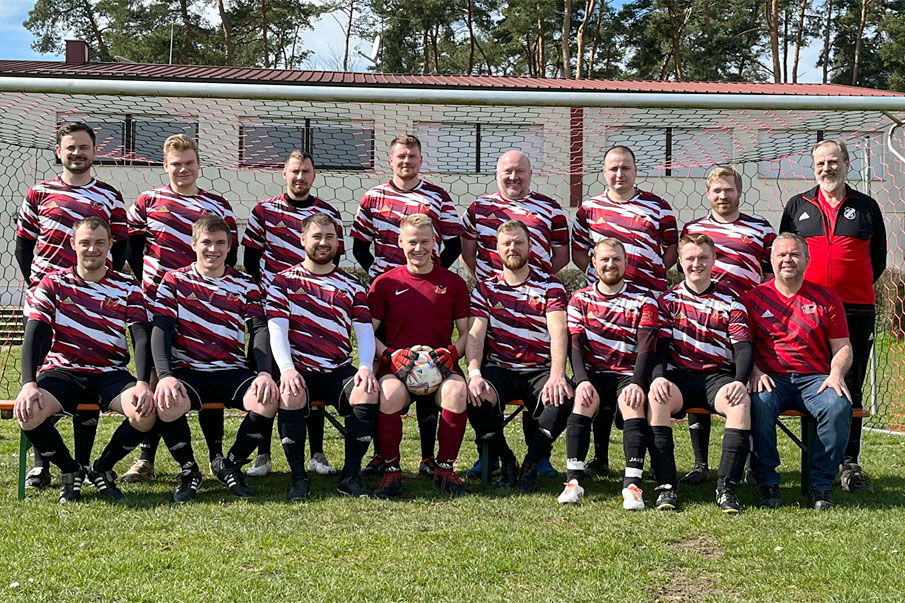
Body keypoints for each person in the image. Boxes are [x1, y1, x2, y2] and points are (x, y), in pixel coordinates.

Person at [15, 122, 129, 490]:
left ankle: (81, 463)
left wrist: (103, 283)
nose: (77, 153)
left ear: (95, 151)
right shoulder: (39, 192)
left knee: (89, 370)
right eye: (70, 147)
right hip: (49, 299)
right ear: (59, 151)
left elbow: (122, 244)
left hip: (93, 299)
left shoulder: (110, 195)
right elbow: (24, 244)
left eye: (84, 147)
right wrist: (36, 285)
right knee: (44, 379)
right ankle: (41, 465)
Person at [122, 133, 240, 484]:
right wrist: (151, 283)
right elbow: (132, 247)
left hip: (204, 306)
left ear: (198, 164)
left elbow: (229, 252)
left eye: (189, 163)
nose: (183, 169)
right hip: (156, 303)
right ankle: (146, 458)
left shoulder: (217, 205)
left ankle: (216, 455)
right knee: (156, 377)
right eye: (176, 164)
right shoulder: (148, 201)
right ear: (165, 165)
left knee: (208, 368)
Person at [13, 217, 154, 503]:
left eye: (100, 242)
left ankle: (101, 468)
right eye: (85, 242)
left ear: (110, 245)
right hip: (63, 370)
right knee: (28, 411)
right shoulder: (53, 282)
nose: (92, 249)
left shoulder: (127, 285)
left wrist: (142, 382)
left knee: (146, 413)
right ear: (73, 244)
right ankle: (71, 470)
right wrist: (28, 383)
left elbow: (141, 335)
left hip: (110, 373)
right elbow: (35, 332)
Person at [351, 134, 464, 479]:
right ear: (391, 159)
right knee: (388, 370)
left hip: (426, 289)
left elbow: (454, 243)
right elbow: (359, 245)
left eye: (412, 156)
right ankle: (382, 455)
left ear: (420, 159)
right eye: (401, 156)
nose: (406, 161)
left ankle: (430, 456)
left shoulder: (437, 196)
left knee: (427, 364)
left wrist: (432, 277)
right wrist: (382, 276)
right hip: (388, 294)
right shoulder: (373, 196)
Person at [780, 139, 885, 494]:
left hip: (855, 310)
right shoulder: (797, 206)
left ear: (846, 164)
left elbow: (877, 260)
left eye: (833, 161)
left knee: (850, 384)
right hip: (806, 311)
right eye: (821, 163)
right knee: (808, 380)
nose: (827, 168)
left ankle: (849, 464)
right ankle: (809, 457)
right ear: (814, 168)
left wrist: (846, 288)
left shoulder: (867, 207)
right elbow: (785, 255)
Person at [151, 215, 278, 502]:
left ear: (229, 247)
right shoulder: (174, 280)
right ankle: (189, 470)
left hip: (230, 370)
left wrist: (264, 372)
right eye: (206, 242)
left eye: (220, 243)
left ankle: (228, 464)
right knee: (166, 401)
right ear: (194, 244)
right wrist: (166, 376)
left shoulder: (245, 283)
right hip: (189, 370)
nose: (213, 249)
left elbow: (259, 329)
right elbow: (161, 329)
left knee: (268, 398)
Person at [570, 145, 678, 479]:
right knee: (604, 367)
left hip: (645, 306)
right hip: (603, 307)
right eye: (613, 168)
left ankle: (648, 459)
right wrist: (603, 286)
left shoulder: (658, 207)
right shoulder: (589, 209)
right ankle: (600, 457)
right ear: (604, 172)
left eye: (626, 168)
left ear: (635, 170)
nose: (620, 174)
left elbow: (671, 250)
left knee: (642, 378)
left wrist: (647, 281)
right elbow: (578, 252)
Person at [461, 149, 570, 478]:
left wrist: (532, 284)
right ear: (497, 173)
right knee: (479, 389)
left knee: (552, 391)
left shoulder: (550, 208)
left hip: (535, 311)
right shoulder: (479, 208)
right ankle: (493, 456)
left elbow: (562, 254)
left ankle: (539, 457)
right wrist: (495, 283)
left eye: (520, 171)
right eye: (507, 171)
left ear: (530, 173)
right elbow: (467, 253)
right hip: (497, 317)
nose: (513, 177)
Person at [242, 151, 346, 479]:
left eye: (306, 172)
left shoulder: (328, 213)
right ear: (284, 173)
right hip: (272, 309)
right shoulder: (263, 211)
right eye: (295, 171)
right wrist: (270, 293)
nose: (300, 177)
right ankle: (262, 455)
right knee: (270, 377)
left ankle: (316, 453)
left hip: (313, 309)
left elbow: (332, 259)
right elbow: (251, 258)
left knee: (312, 373)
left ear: (314, 175)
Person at [266, 213, 379, 499]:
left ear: (338, 241)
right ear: (303, 239)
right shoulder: (283, 282)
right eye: (316, 236)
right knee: (290, 393)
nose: (323, 242)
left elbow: (364, 330)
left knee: (366, 391)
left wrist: (366, 367)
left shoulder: (352, 284)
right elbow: (276, 330)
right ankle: (298, 478)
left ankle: (350, 476)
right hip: (299, 369)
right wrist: (287, 369)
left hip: (337, 370)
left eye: (329, 236)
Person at [678, 166, 776, 485]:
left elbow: (769, 275)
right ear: (708, 194)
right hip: (704, 319)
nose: (723, 196)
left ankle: (748, 463)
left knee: (743, 384)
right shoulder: (693, 228)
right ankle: (700, 463)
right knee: (700, 374)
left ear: (739, 192)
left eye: (729, 190)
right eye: (717, 190)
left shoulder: (760, 228)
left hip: (746, 319)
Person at [744, 233, 853, 510]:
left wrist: (836, 374)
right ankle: (767, 483)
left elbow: (843, 346)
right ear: (771, 260)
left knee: (838, 406)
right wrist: (754, 370)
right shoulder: (754, 299)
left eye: (794, 254)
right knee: (758, 404)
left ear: (807, 260)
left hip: (815, 380)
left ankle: (821, 486)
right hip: (771, 378)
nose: (787, 260)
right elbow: (742, 346)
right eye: (781, 254)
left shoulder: (826, 297)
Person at [647, 233, 753, 513]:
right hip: (679, 376)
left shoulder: (731, 300)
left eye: (703, 257)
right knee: (657, 399)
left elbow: (743, 347)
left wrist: (740, 381)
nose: (697, 264)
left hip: (717, 376)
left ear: (714, 259)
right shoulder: (667, 301)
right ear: (680, 262)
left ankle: (726, 489)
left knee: (740, 403)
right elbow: (660, 347)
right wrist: (658, 377)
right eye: (691, 258)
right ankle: (666, 486)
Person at [368, 213, 471, 498]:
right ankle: (391, 471)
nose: (418, 248)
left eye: (425, 241)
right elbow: (367, 333)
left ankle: (444, 470)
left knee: (457, 392)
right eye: (412, 241)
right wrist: (389, 356)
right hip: (397, 367)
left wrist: (452, 353)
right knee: (389, 393)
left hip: (440, 366)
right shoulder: (384, 283)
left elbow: (468, 333)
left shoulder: (454, 283)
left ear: (435, 241)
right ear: (400, 242)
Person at [561, 238, 657, 507]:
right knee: (583, 399)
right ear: (593, 263)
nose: (610, 264)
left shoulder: (644, 299)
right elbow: (575, 345)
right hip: (594, 372)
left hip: (628, 373)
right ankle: (574, 482)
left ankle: (633, 485)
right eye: (604, 259)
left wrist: (637, 382)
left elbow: (646, 346)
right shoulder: (579, 299)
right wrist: (582, 380)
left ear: (627, 262)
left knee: (632, 401)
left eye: (616, 259)